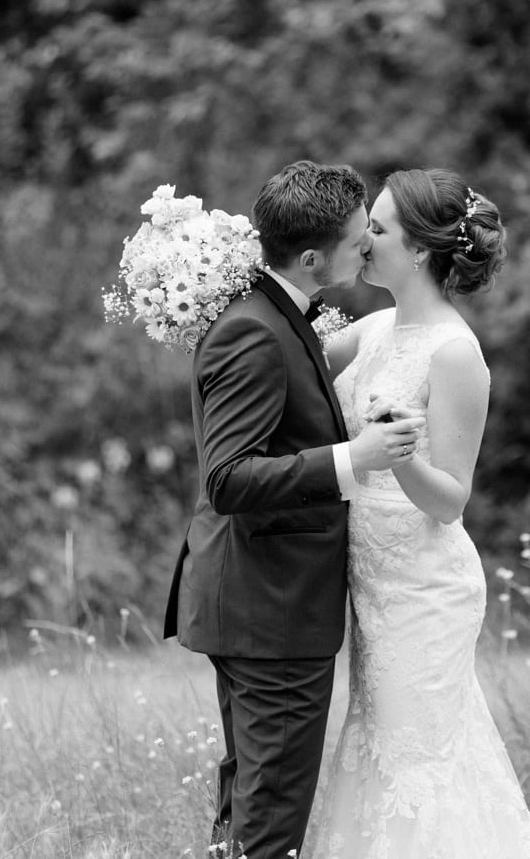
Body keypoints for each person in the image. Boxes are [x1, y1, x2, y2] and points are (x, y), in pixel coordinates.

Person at [164, 160, 426, 859]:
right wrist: (355, 460)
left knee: (249, 806)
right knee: (270, 824)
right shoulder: (253, 330)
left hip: (258, 601)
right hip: (271, 612)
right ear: (311, 257)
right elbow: (228, 478)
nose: (367, 246)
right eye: (355, 237)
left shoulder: (278, 312)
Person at [305, 168, 530, 858]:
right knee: (378, 745)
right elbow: (294, 363)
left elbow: (452, 499)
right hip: (371, 580)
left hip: (424, 588)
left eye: (376, 229)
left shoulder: (456, 353)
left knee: (420, 760)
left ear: (417, 251)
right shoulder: (377, 328)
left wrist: (398, 455)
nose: (363, 240)